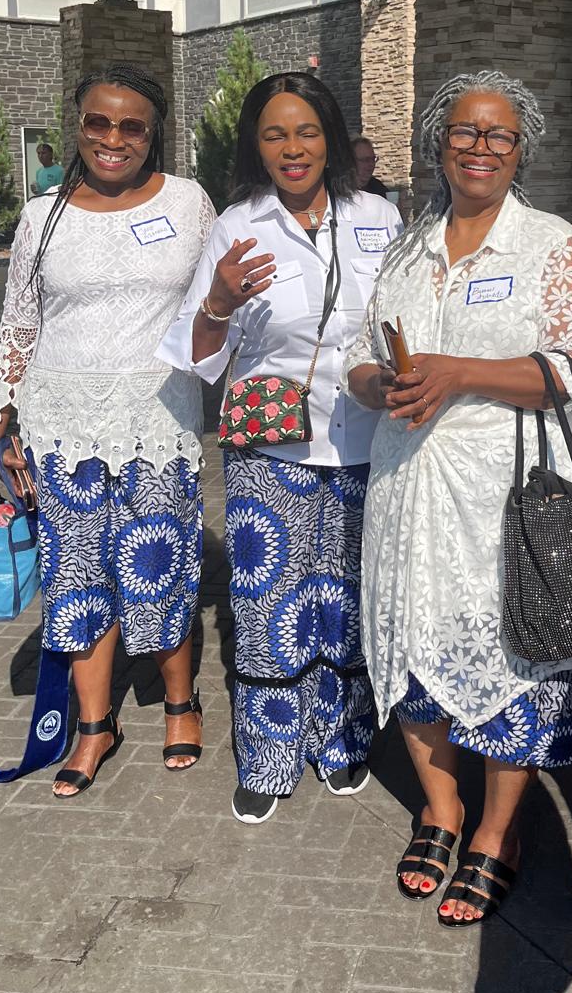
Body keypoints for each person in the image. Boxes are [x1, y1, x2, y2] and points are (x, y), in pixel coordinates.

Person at [347, 70, 572, 925]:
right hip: (407, 486)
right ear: (439, 142)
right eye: (465, 131)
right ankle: (441, 808)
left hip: (506, 496)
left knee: (510, 651)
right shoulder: (406, 247)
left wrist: (458, 373)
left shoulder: (549, 244)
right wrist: (377, 383)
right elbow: (356, 357)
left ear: (521, 149)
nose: (480, 147)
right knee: (413, 639)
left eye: (499, 135)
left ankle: (498, 832)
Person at [160, 73, 402, 826]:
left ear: (331, 138)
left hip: (368, 439)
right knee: (268, 602)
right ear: (256, 147)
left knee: (350, 596)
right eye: (274, 134)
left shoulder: (379, 217)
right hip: (272, 449)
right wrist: (218, 303)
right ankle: (268, 754)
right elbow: (196, 353)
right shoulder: (239, 225)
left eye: (305, 132)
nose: (292, 148)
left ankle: (342, 738)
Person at [0, 64, 215, 797]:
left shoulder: (188, 202)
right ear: (77, 125)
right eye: (98, 121)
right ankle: (93, 726)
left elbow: (215, 304)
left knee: (161, 565)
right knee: (77, 575)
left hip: (158, 417)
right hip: (60, 423)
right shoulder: (42, 216)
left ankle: (179, 703)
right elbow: (20, 320)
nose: (113, 138)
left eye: (131, 125)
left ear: (153, 134)